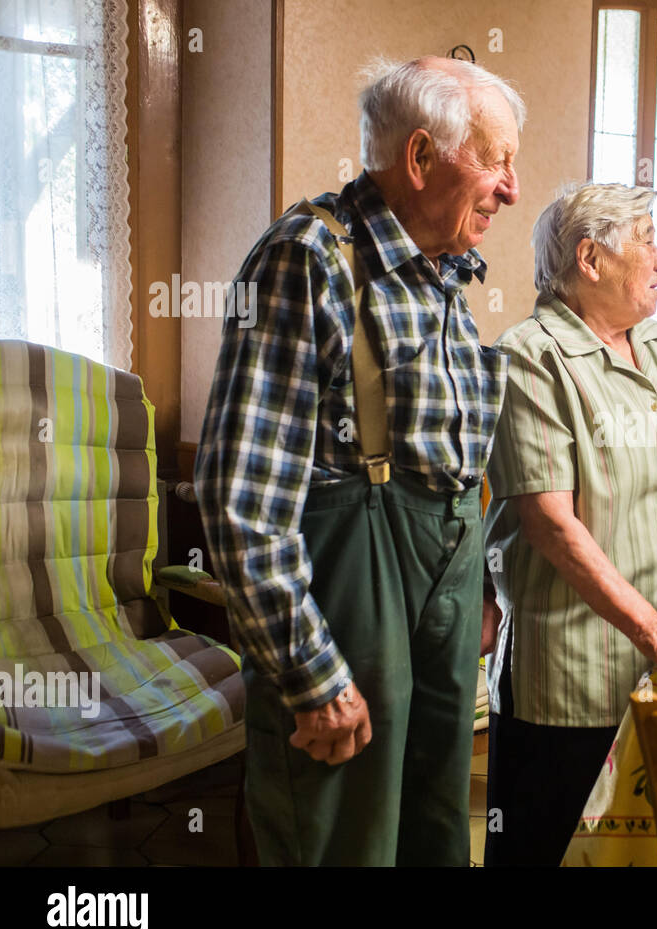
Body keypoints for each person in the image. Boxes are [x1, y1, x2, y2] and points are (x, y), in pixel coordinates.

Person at [195, 55, 523, 866]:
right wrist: (312, 676)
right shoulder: (307, 257)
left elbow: (445, 457)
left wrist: (472, 589)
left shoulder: (445, 269)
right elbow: (241, 499)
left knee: (435, 839)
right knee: (343, 845)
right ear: (420, 158)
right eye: (495, 160)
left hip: (436, 605)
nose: (511, 189)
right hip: (348, 610)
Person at [482, 182, 657, 866]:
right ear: (590, 258)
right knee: (542, 850)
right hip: (571, 678)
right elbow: (550, 524)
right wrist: (650, 629)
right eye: (647, 241)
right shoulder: (530, 356)